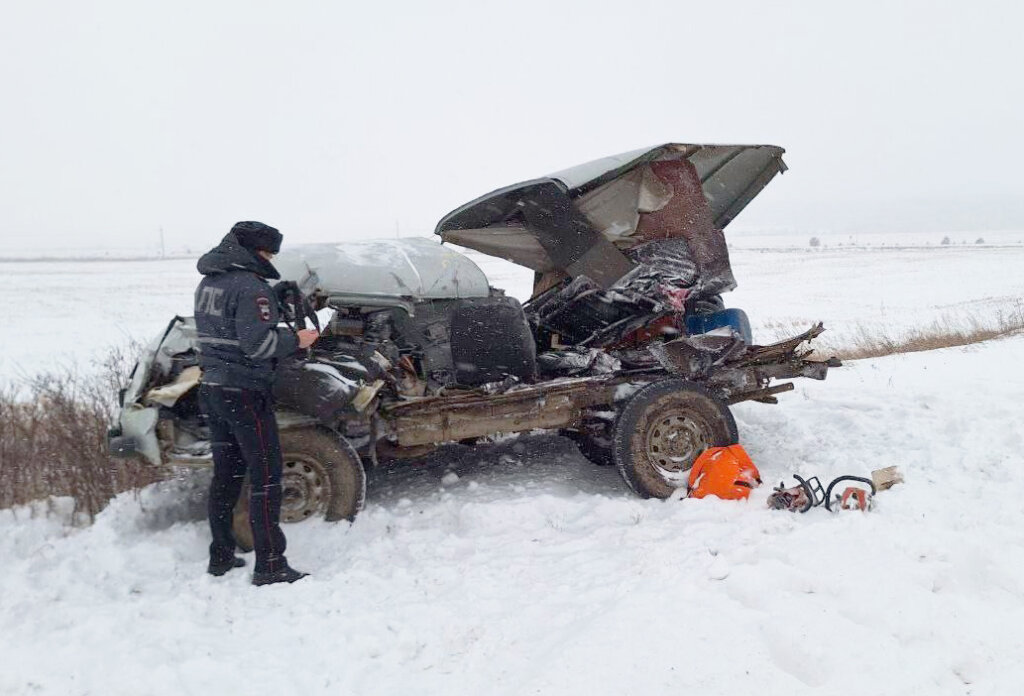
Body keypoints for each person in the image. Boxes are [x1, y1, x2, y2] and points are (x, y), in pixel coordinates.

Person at [194, 221, 319, 585]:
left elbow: (226, 332)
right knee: (266, 477)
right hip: (245, 393)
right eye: (268, 253)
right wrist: (297, 339)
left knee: (226, 477)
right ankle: (270, 564)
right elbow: (257, 346)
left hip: (213, 389)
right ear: (254, 251)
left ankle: (220, 556)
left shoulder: (209, 282)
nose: (270, 259)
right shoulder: (251, 289)